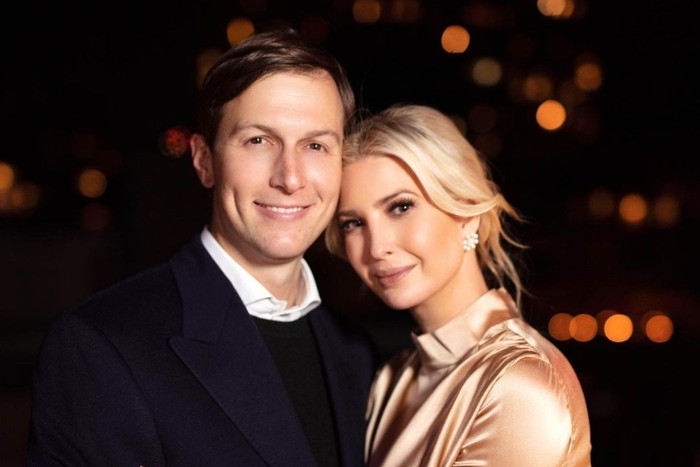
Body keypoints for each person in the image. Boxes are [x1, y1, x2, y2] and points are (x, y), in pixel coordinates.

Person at [28, 29, 377, 467]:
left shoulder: (355, 354)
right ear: (204, 160)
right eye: (258, 140)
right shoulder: (100, 347)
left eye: (315, 145)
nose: (290, 178)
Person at [325, 104, 592, 466]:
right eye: (353, 223)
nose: (376, 247)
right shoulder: (392, 380)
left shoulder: (519, 384)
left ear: (467, 212)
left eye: (400, 207)